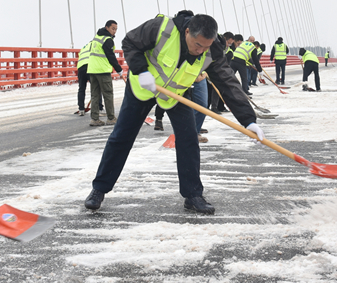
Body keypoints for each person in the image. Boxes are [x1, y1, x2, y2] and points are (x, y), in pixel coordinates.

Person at [83, 12, 259, 215]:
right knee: (121, 137)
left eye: (205, 46)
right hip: (143, 87)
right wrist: (140, 71)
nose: (200, 50)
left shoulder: (213, 50)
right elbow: (130, 42)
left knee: (188, 140)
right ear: (187, 32)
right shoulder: (162, 28)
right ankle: (99, 190)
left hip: (175, 94)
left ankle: (193, 195)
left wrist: (249, 120)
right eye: (197, 45)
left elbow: (227, 82)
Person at [86, 20, 121, 126]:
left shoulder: (96, 38)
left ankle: (94, 119)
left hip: (92, 70)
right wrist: (119, 69)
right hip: (102, 71)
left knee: (95, 95)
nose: (114, 31)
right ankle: (111, 118)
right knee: (108, 94)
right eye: (113, 28)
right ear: (107, 28)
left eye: (116, 29)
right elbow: (111, 56)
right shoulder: (107, 40)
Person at [75, 36, 95, 115]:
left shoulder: (84, 47)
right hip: (89, 66)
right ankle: (99, 107)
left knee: (81, 88)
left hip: (80, 67)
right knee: (95, 87)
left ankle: (81, 109)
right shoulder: (95, 45)